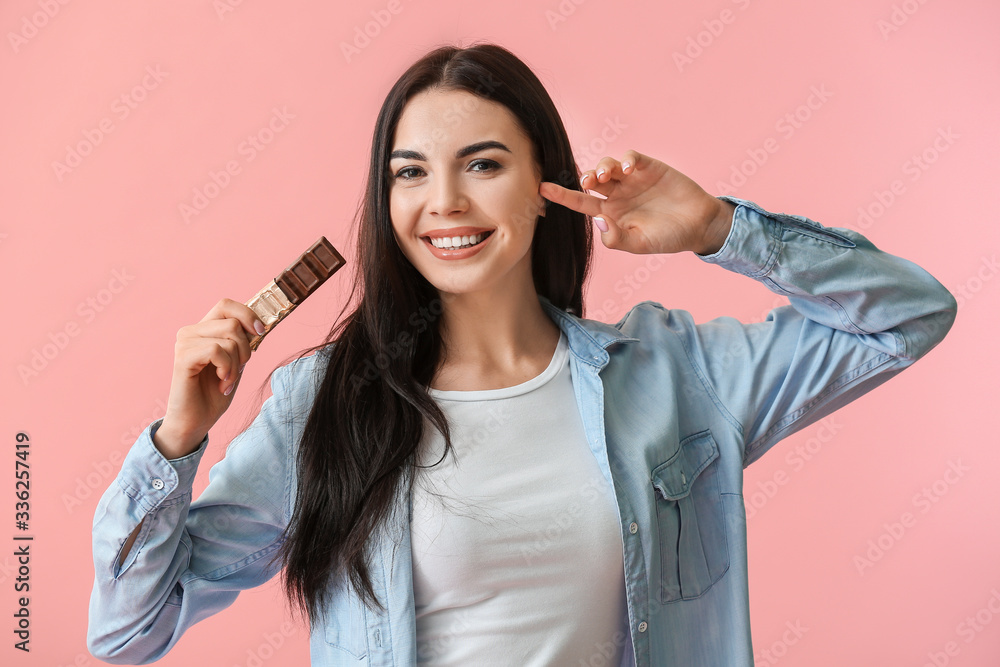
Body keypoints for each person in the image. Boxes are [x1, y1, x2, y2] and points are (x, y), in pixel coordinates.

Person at [87, 42, 957, 667]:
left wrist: (721, 230)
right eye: (410, 172)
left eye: (484, 164)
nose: (446, 202)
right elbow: (129, 632)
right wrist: (174, 444)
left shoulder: (674, 375)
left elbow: (910, 314)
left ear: (547, 188)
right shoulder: (325, 405)